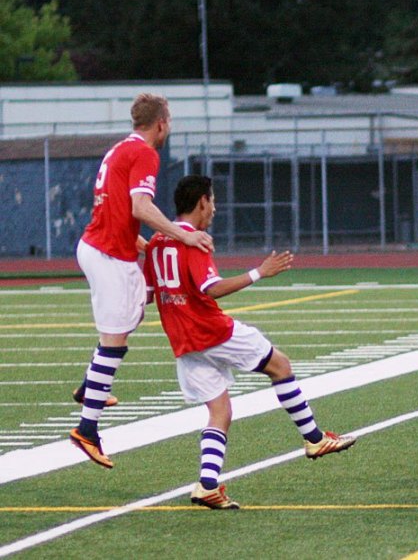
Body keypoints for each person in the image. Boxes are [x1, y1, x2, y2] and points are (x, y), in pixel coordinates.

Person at [144, 175, 356, 509]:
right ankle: (314, 439)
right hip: (213, 331)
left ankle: (207, 485)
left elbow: (149, 294)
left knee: (220, 411)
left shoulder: (157, 241)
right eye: (212, 200)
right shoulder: (194, 240)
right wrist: (260, 272)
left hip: (183, 341)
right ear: (201, 201)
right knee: (281, 366)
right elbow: (210, 288)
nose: (214, 208)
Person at [69, 93, 214, 469]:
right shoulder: (146, 154)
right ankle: (87, 428)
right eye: (170, 121)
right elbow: (140, 207)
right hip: (107, 255)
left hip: (101, 247)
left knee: (133, 312)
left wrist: (144, 244)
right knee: (114, 342)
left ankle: (90, 386)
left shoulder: (120, 149)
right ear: (161, 123)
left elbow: (114, 208)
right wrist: (183, 235)